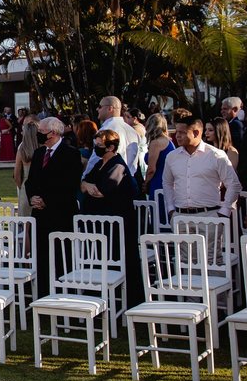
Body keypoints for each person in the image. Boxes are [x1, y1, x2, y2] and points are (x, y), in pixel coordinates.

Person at [81, 129, 140, 305]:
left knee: (117, 259)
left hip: (116, 224)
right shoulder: (99, 164)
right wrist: (87, 186)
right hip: (99, 223)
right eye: (95, 145)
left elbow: (101, 191)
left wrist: (90, 187)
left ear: (111, 147)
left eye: (99, 146)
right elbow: (83, 183)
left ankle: (123, 299)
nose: (96, 149)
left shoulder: (117, 165)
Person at [25, 117, 82, 294]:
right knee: (41, 254)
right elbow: (30, 181)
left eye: (42, 132)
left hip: (60, 213)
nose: (39, 135)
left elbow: (69, 183)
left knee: (61, 255)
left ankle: (64, 293)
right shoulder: (39, 153)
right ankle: (43, 292)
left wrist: (46, 200)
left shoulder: (71, 153)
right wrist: (33, 197)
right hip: (40, 214)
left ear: (54, 133)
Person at [161, 115, 241, 221]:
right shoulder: (172, 156)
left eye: (182, 132)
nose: (177, 136)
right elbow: (167, 183)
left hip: (209, 216)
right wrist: (171, 209)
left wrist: (224, 212)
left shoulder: (216, 155)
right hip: (180, 217)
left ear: (196, 133)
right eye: (177, 132)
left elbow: (233, 184)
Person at [87, 96, 140, 176]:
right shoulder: (133, 131)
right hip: (127, 180)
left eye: (100, 106)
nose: (97, 109)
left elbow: (96, 158)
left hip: (108, 180)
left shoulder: (106, 131)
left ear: (110, 109)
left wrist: (85, 178)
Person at [143, 113, 174, 201]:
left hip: (158, 182)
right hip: (168, 181)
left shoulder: (156, 143)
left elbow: (151, 169)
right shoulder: (169, 141)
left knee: (157, 211)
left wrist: (146, 184)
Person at [14, 120, 40, 218]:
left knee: (26, 223)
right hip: (40, 188)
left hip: (26, 187)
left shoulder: (22, 149)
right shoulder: (43, 149)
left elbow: (16, 174)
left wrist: (20, 186)